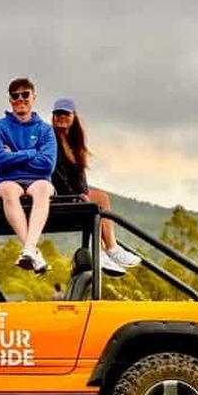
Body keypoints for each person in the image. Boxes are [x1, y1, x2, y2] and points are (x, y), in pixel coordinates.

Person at [50, 98, 141, 276]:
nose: (61, 117)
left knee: (100, 198)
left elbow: (79, 176)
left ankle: (108, 249)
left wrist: (82, 193)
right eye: (57, 114)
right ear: (53, 117)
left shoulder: (74, 143)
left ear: (73, 116)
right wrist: (75, 196)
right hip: (56, 194)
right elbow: (55, 174)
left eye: (65, 114)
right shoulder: (51, 140)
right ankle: (105, 250)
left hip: (70, 194)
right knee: (95, 203)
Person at [0, 77, 57, 273]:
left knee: (43, 188)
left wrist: (13, 155)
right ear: (10, 100)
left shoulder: (45, 130)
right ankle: (31, 249)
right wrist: (31, 152)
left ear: (33, 97)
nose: (20, 99)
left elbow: (47, 165)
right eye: (15, 95)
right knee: (9, 190)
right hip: (7, 181)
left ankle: (28, 248)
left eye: (25, 94)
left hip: (38, 181)